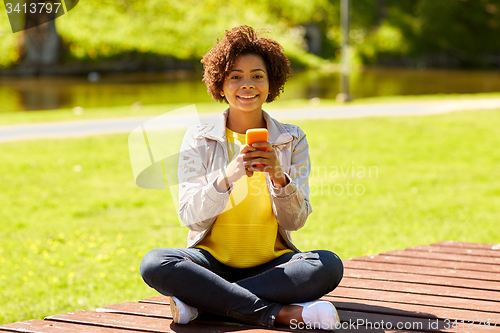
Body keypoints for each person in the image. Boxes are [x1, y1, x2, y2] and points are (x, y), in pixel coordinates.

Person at [140, 25, 343, 330]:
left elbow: (295, 222)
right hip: (210, 264)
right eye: (235, 76)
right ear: (220, 86)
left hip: (274, 265)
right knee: (156, 263)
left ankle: (205, 301)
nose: (247, 84)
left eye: (257, 75)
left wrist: (278, 176)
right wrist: (228, 175)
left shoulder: (292, 138)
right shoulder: (199, 137)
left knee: (327, 266)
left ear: (270, 83)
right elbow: (190, 216)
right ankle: (278, 314)